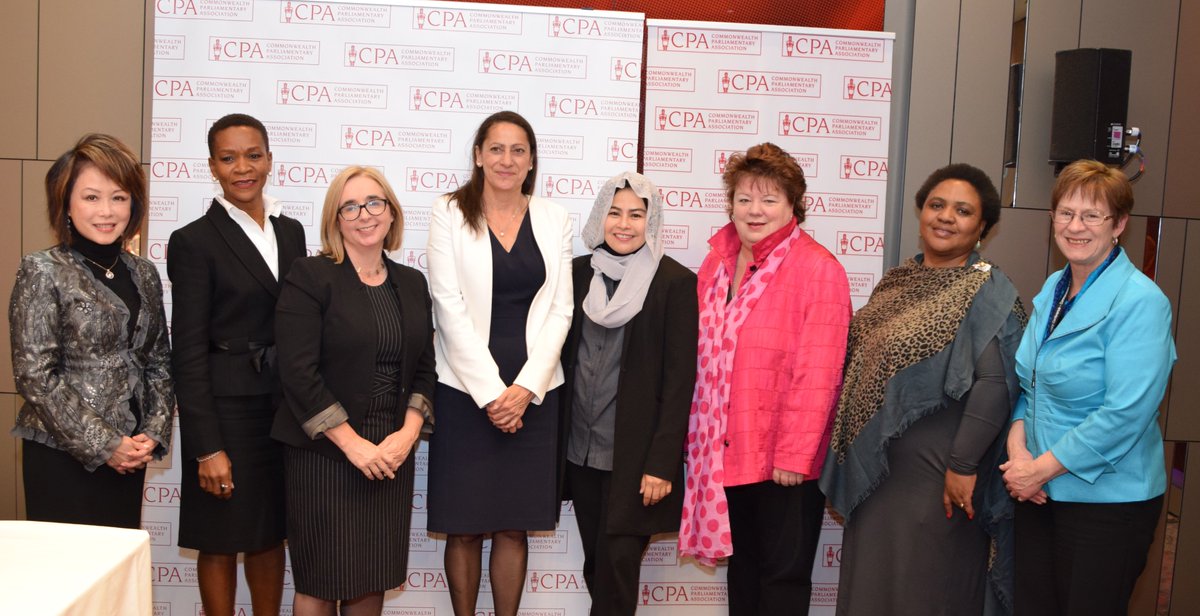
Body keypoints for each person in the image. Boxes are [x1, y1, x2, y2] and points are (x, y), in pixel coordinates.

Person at [820, 163, 1026, 616]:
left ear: (983, 228)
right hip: (877, 476)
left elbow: (996, 383)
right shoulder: (895, 283)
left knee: (926, 591)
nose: (946, 217)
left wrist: (963, 464)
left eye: (963, 210)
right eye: (937, 205)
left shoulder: (987, 288)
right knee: (872, 589)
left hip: (941, 480)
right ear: (921, 213)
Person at [678, 142, 851, 615]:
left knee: (782, 580)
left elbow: (819, 373)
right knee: (745, 572)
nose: (755, 211)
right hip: (727, 450)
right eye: (744, 199)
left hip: (783, 461)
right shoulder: (715, 263)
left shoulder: (819, 269)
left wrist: (794, 455)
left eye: (769, 199)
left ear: (793, 205)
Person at [1001, 159, 1176, 616]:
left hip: (1107, 502)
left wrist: (1040, 469)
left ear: (1118, 225)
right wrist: (1019, 452)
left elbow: (1126, 413)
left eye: (1091, 216)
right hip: (1040, 492)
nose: (1075, 226)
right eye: (1065, 213)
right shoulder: (1056, 286)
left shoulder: (1140, 301)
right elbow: (1030, 384)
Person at [425, 110, 573, 616]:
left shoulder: (555, 218)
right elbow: (447, 307)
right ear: (478, 155)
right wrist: (493, 394)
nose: (506, 160)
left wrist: (525, 389)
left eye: (518, 150)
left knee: (513, 523)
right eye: (496, 148)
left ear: (531, 161)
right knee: (464, 525)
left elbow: (562, 310)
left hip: (535, 395)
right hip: (465, 391)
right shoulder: (448, 211)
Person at [272, 166, 435, 616]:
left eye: (374, 203)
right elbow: (299, 373)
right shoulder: (310, 276)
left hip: (390, 455)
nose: (365, 214)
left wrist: (406, 435)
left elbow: (425, 368)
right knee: (322, 582)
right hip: (324, 454)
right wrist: (354, 446)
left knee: (372, 579)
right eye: (350, 206)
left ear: (391, 212)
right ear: (335, 219)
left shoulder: (412, 282)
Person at [169, 113, 306, 616]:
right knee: (221, 537)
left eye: (253, 155)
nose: (242, 168)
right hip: (225, 414)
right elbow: (185, 350)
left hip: (283, 410)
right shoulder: (193, 240)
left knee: (270, 534)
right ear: (212, 166)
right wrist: (207, 447)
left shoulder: (291, 233)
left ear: (269, 159)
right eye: (228, 158)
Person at [10, 133, 174, 529]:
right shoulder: (42, 269)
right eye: (91, 197)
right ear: (65, 203)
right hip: (62, 456)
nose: (107, 211)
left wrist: (151, 433)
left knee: (114, 577)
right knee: (66, 577)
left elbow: (158, 361)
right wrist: (106, 444)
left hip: (130, 457)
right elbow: (35, 376)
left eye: (119, 197)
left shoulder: (144, 272)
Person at [560, 172, 698, 615]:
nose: (624, 224)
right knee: (597, 565)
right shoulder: (578, 274)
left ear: (651, 220)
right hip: (580, 451)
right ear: (601, 216)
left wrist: (662, 464)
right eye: (615, 212)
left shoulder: (674, 282)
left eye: (636, 214)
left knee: (618, 568)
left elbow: (680, 384)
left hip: (636, 459)